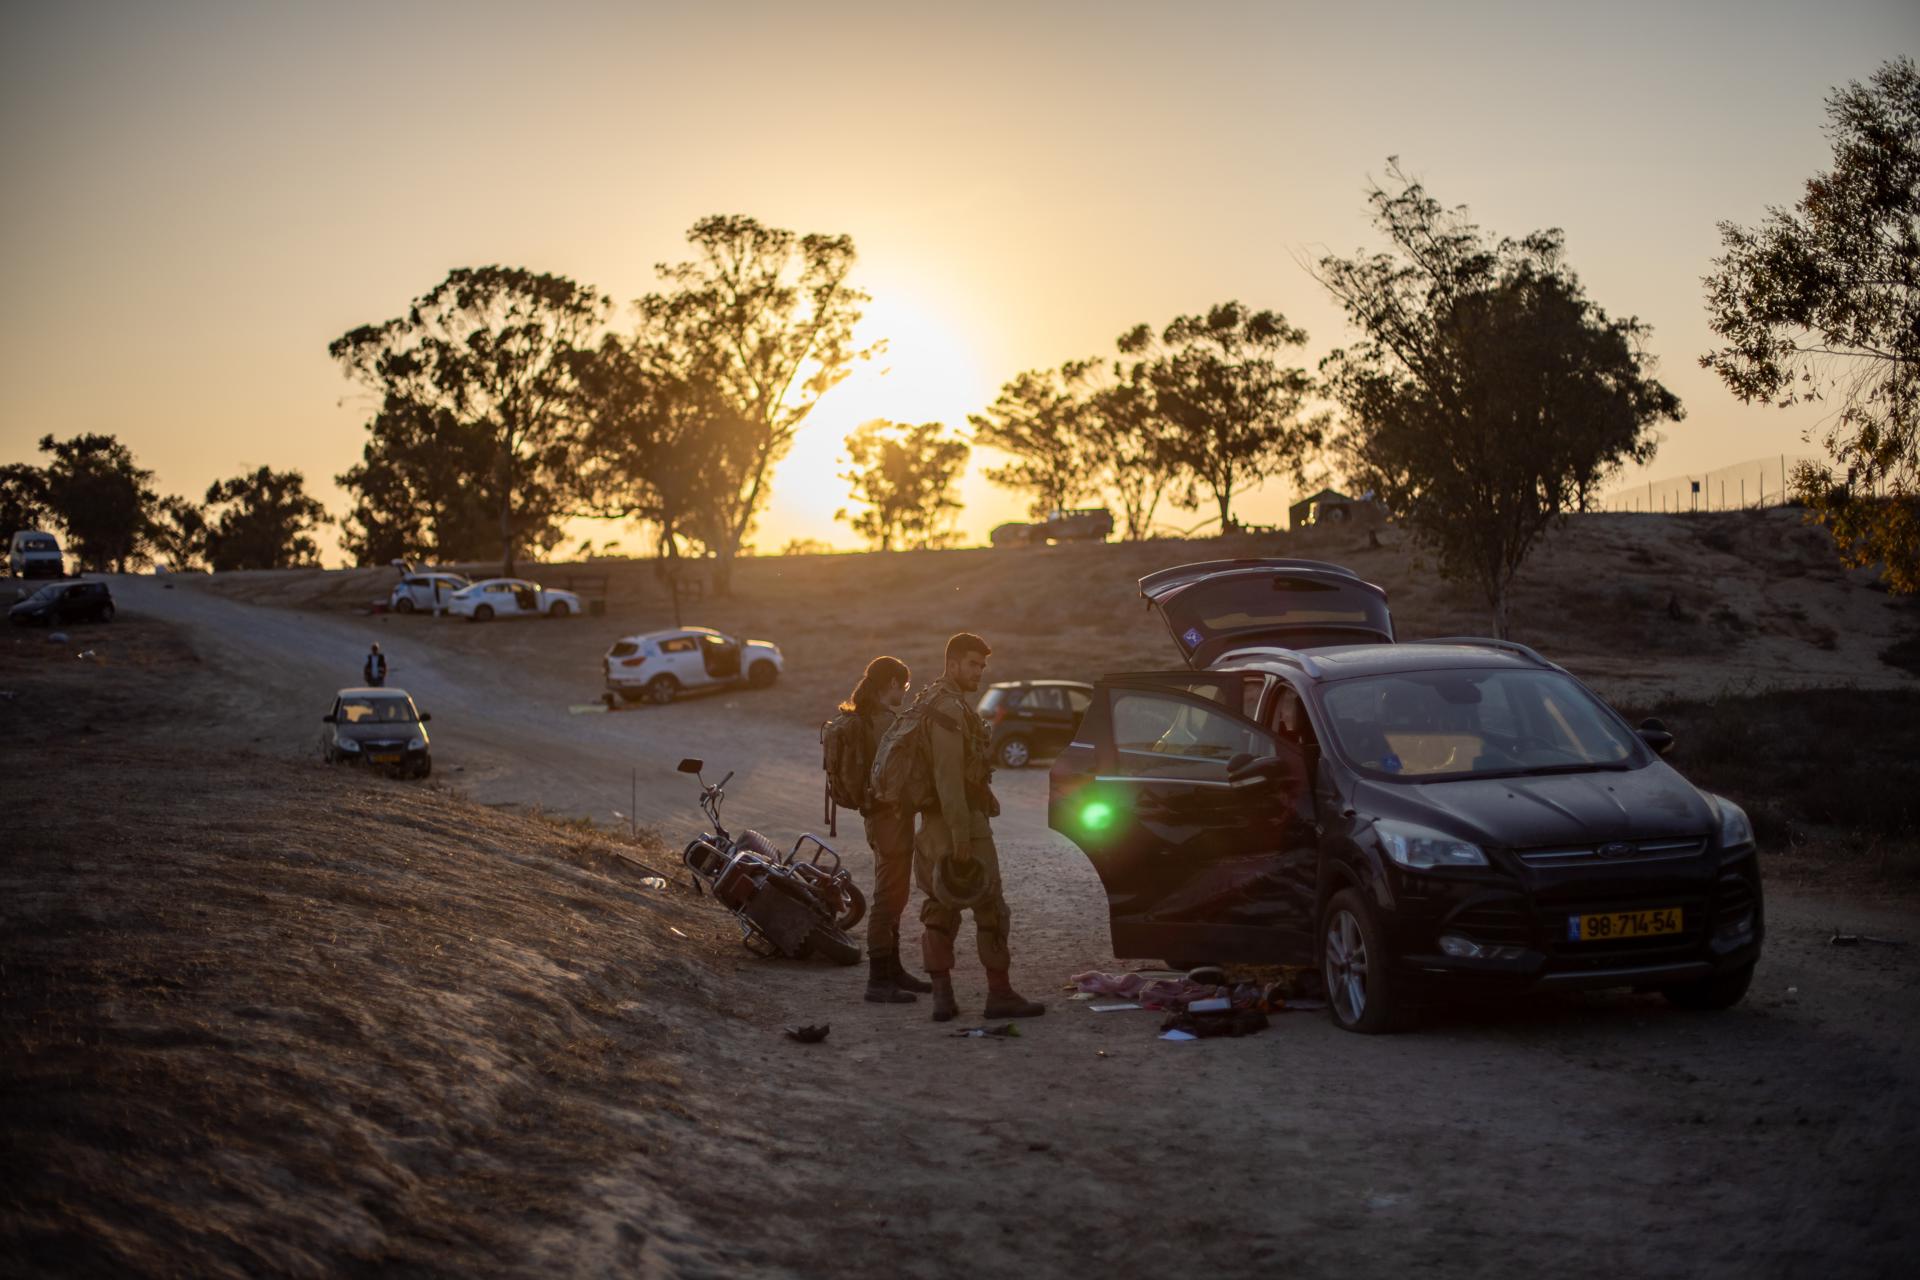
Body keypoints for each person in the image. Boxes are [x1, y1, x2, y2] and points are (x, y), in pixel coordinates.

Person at [913, 632, 1043, 1022]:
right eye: (973, 664)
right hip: (960, 823)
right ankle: (999, 995)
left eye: (983, 666)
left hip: (936, 823)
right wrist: (961, 838)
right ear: (952, 664)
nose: (979, 673)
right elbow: (948, 777)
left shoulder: (931, 701)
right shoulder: (949, 710)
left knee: (941, 905)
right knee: (990, 907)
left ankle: (943, 997)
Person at [841, 656, 931, 1004]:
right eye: (904, 686)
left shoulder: (864, 719)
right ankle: (878, 980)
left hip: (879, 819)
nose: (904, 693)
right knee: (887, 898)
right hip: (889, 818)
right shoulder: (883, 725)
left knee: (895, 895)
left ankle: (893, 970)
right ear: (892, 682)